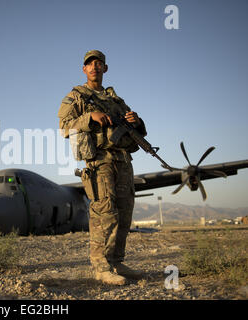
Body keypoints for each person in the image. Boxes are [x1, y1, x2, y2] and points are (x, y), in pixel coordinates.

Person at [58, 50, 147, 285]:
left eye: (99, 63)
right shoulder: (76, 96)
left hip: (123, 160)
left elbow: (135, 130)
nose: (94, 66)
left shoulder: (116, 101)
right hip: (99, 160)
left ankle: (117, 262)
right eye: (90, 63)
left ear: (105, 69)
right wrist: (90, 117)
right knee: (104, 212)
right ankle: (101, 267)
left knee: (125, 212)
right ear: (84, 69)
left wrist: (136, 121)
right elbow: (64, 127)